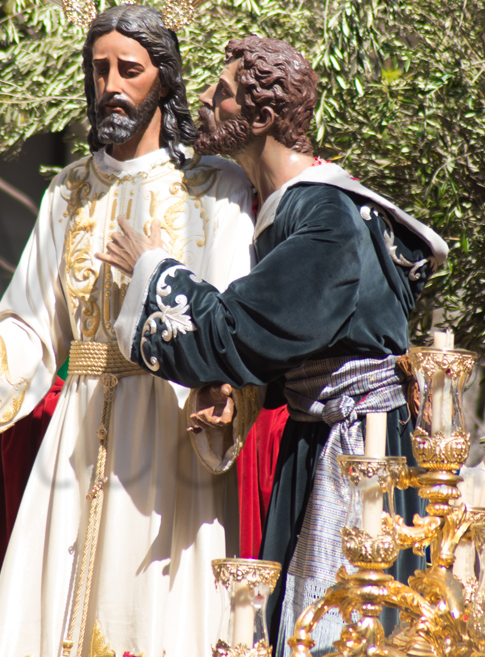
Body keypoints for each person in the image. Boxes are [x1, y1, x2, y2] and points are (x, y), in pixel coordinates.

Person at [0, 4, 256, 657]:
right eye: (99, 69)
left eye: (129, 70)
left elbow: (231, 315)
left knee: (161, 617)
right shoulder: (69, 191)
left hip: (172, 430)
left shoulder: (215, 190)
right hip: (78, 439)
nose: (111, 84)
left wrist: (224, 389)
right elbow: (32, 328)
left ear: (164, 81)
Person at [98, 36, 448, 650]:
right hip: (323, 436)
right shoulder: (294, 208)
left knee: (340, 620)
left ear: (260, 119)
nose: (204, 99)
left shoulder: (327, 214)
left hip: (358, 454)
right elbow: (290, 340)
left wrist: (154, 270)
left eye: (223, 93)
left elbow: (241, 330)